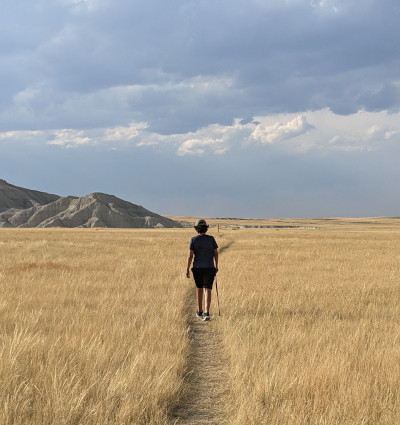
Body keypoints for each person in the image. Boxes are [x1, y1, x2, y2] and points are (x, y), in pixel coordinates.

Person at [186, 219, 218, 321]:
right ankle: (206, 313)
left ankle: (199, 311)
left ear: (196, 229)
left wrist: (187, 268)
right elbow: (216, 253)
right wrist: (216, 266)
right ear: (206, 228)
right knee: (207, 289)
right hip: (209, 267)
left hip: (197, 268)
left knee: (199, 288)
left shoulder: (193, 240)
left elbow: (190, 256)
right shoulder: (211, 239)